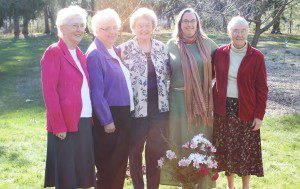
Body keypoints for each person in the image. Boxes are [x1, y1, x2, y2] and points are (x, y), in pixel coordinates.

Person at [162, 8, 218, 188]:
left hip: (202, 103)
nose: (189, 24)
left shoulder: (208, 44)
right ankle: (184, 183)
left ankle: (203, 183)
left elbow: (224, 64)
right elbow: (161, 71)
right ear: (179, 24)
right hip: (178, 102)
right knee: (181, 141)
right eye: (185, 21)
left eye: (192, 20)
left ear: (197, 23)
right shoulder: (172, 44)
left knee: (200, 141)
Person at [41, 5, 95, 189]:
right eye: (75, 25)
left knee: (81, 177)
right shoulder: (53, 52)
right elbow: (50, 93)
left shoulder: (80, 54)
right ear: (62, 28)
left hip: (85, 121)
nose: (80, 29)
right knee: (66, 180)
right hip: (65, 124)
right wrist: (57, 124)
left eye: (82, 25)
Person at [212, 16, 268, 189]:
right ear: (229, 32)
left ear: (247, 33)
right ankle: (231, 186)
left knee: (244, 151)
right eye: (235, 30)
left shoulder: (256, 56)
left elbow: (262, 89)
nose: (239, 34)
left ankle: (245, 186)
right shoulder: (220, 53)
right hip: (223, 108)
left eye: (243, 30)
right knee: (229, 149)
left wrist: (259, 116)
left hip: (246, 109)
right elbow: (209, 77)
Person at [118, 7, 170, 189]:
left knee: (155, 152)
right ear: (133, 27)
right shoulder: (123, 50)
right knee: (135, 152)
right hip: (136, 111)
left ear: (153, 27)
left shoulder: (162, 49)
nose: (143, 29)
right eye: (139, 25)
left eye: (147, 25)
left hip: (159, 111)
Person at [86, 8, 133, 189]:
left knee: (119, 164)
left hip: (122, 114)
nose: (112, 32)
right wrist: (107, 120)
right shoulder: (95, 54)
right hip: (110, 118)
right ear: (97, 30)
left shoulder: (112, 50)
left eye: (115, 27)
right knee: (109, 167)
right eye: (107, 28)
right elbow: (96, 93)